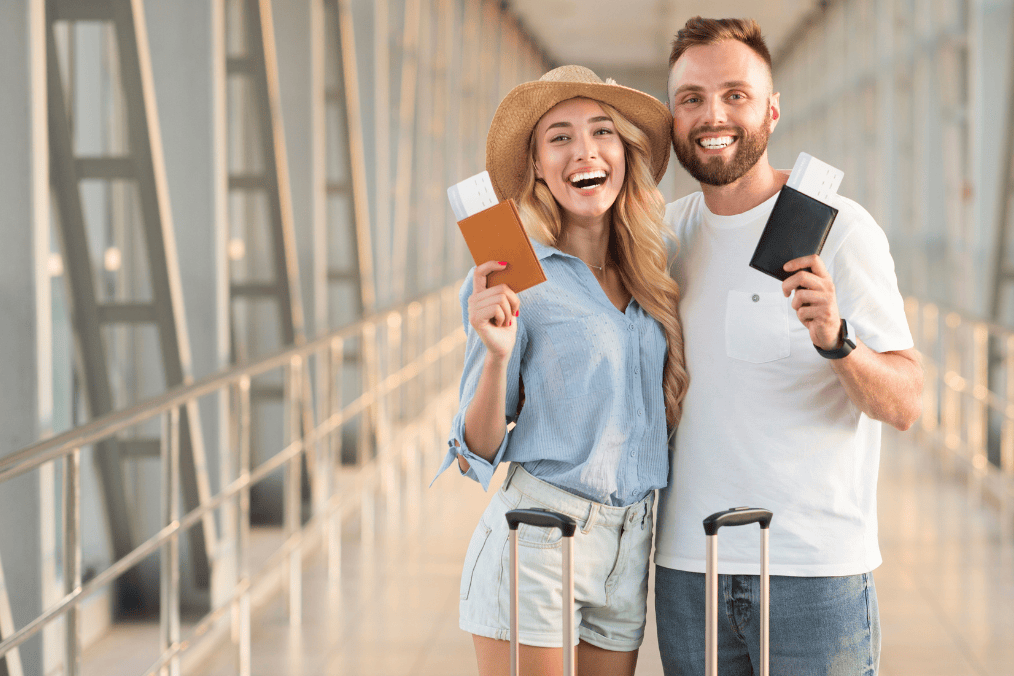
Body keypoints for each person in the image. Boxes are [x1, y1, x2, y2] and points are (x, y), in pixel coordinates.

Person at [653, 16, 924, 676]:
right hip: (691, 567)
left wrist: (836, 340)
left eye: (735, 94)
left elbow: (907, 401)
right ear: (672, 118)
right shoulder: (665, 236)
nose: (712, 113)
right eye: (691, 98)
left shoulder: (842, 231)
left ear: (771, 112)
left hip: (812, 574)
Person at [432, 65, 687, 676]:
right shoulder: (513, 273)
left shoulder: (653, 272)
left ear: (624, 153)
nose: (584, 152)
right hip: (541, 536)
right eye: (560, 138)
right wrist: (496, 355)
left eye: (602, 132)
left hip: (631, 543)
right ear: (539, 166)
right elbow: (475, 451)